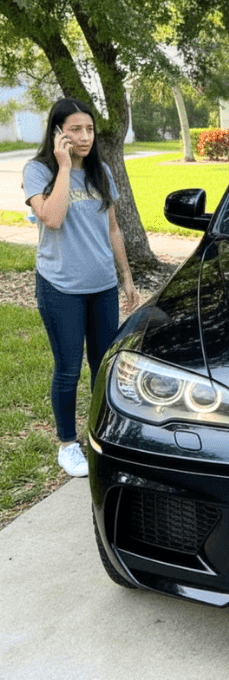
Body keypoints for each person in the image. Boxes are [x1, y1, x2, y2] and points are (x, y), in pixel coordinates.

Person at [22, 98, 139, 477]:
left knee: (103, 367)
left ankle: (100, 435)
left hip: (102, 285)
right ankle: (67, 445)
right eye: (74, 129)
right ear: (58, 133)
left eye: (88, 129)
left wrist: (127, 278)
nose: (84, 137)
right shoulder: (38, 171)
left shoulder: (101, 170)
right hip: (61, 287)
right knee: (69, 368)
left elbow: (113, 229)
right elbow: (53, 218)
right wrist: (65, 167)